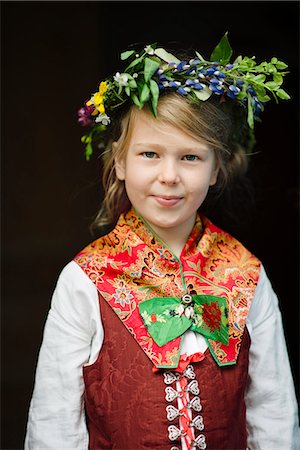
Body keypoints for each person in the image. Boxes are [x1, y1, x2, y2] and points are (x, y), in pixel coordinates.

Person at [25, 34, 300, 449]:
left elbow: (274, 415)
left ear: (215, 168)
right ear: (119, 161)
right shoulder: (85, 281)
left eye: (189, 157)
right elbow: (54, 425)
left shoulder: (246, 275)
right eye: (149, 154)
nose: (169, 175)